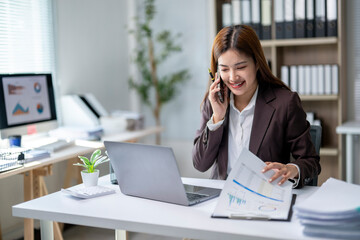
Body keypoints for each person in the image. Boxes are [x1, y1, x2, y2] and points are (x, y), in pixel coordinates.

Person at [192, 25, 320, 188]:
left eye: (241, 67)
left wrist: (291, 169)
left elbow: (311, 161)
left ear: (258, 63)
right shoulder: (213, 102)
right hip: (221, 197)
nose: (232, 77)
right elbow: (200, 164)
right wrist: (217, 118)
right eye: (224, 69)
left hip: (265, 197)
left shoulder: (285, 103)